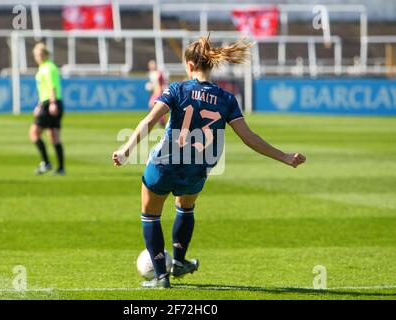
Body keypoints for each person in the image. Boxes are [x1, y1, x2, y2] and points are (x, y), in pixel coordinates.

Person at [112, 36, 306, 289]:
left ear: (190, 65)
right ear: (210, 65)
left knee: (151, 215)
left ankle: (161, 277)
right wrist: (285, 157)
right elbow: (249, 138)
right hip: (197, 169)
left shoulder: (176, 89)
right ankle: (179, 261)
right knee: (185, 207)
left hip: (165, 164)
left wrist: (126, 150)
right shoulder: (227, 99)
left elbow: (149, 121)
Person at [29, 43, 65, 176]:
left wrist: (52, 103)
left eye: (37, 55)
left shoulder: (48, 68)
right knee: (54, 136)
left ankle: (46, 163)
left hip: (50, 103)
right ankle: (61, 168)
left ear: (44, 54)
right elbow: (44, 89)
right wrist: (39, 105)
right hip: (48, 103)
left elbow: (52, 86)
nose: (36, 57)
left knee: (33, 133)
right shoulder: (44, 67)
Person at [145, 60, 167, 127]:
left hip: (159, 92)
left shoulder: (158, 73)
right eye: (150, 65)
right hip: (155, 92)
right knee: (152, 105)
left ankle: (161, 121)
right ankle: (160, 121)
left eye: (152, 64)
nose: (151, 66)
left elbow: (162, 82)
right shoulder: (151, 74)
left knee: (155, 106)